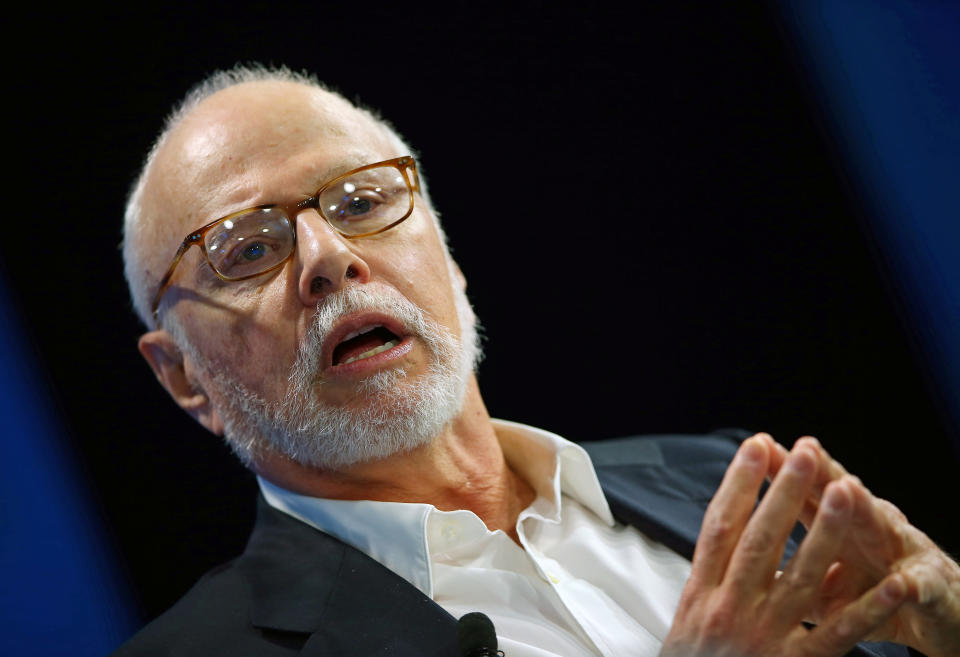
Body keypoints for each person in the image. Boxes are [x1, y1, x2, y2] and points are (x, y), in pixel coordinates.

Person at [115, 64, 959, 657]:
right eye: (247, 248)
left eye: (363, 201)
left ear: (446, 255)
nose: (328, 255)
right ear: (183, 375)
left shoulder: (724, 481)